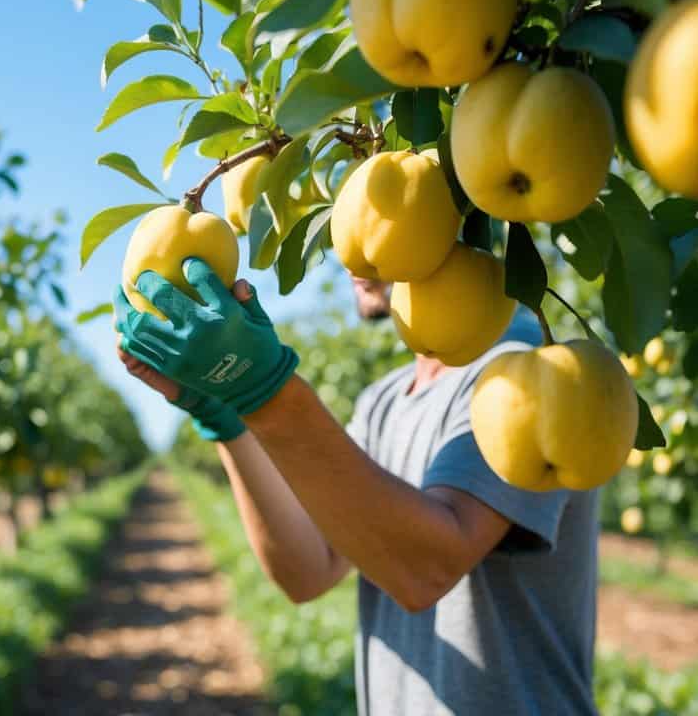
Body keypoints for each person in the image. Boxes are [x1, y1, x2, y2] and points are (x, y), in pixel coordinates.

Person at [114, 261, 599, 716]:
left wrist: (262, 390)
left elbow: (424, 569)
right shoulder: (385, 399)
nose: (347, 252)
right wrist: (227, 416)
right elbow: (308, 570)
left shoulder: (533, 379)